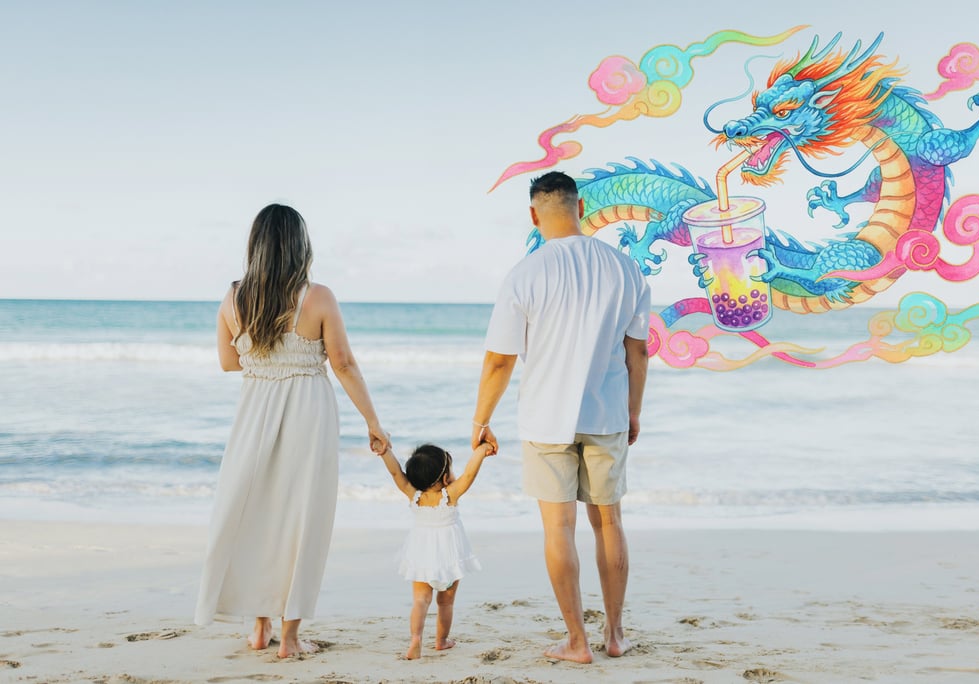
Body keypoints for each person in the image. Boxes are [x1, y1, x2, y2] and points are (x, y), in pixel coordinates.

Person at [195, 203, 389, 658]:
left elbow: (228, 362)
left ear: (255, 245)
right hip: (308, 411)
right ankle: (291, 637)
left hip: (254, 412)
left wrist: (266, 357)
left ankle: (259, 628)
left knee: (258, 516)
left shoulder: (233, 298)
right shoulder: (318, 296)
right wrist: (373, 423)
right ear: (300, 245)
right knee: (303, 519)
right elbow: (342, 363)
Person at [471, 171, 650, 663]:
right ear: (581, 207)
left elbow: (499, 361)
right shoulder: (625, 269)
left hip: (545, 418)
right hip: (607, 412)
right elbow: (638, 353)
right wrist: (633, 410)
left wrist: (480, 418)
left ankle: (577, 641)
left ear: (534, 214)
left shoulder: (525, 274)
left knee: (558, 530)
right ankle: (615, 635)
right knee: (609, 524)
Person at [377, 441, 494, 659]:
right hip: (450, 558)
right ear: (444, 478)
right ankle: (441, 641)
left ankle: (415, 640)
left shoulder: (414, 495)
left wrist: (385, 452)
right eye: (450, 468)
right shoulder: (450, 495)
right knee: (446, 602)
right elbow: (470, 475)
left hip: (421, 555)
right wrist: (481, 452)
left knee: (420, 600)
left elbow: (395, 472)